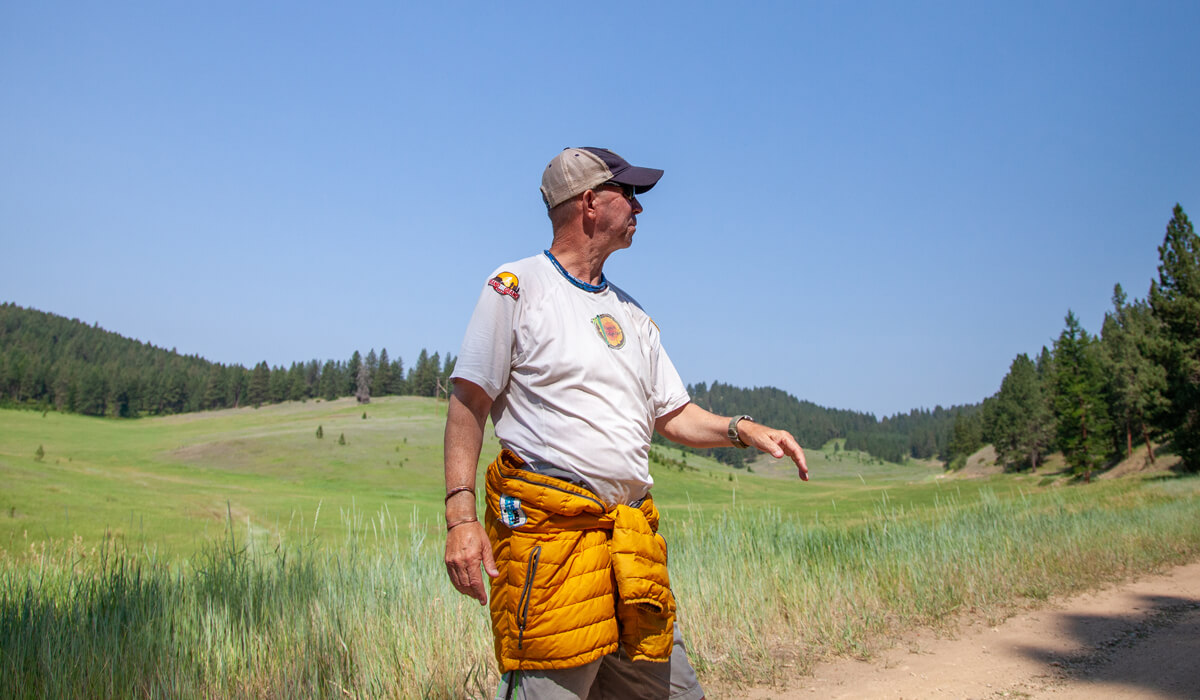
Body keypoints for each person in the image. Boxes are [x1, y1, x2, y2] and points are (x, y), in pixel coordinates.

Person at [443, 147, 808, 700]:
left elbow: (674, 414)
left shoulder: (632, 315)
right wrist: (460, 519)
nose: (640, 209)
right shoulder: (517, 287)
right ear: (589, 203)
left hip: (629, 546)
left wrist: (742, 428)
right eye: (629, 194)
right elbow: (468, 402)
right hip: (552, 547)